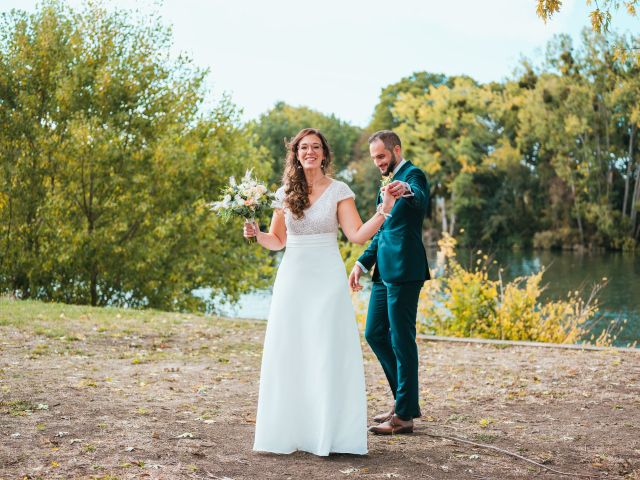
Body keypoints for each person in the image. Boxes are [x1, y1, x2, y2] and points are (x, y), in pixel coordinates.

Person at [244, 127, 396, 456]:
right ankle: (291, 432)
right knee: (292, 350)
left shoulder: (339, 190)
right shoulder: (283, 193)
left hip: (327, 279)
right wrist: (257, 233)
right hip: (293, 278)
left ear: (324, 154)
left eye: (316, 147)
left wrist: (385, 208)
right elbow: (278, 241)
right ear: (296, 155)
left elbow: (356, 235)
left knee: (326, 351)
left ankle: (331, 433)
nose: (310, 152)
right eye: (303, 148)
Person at [349, 130, 430, 435]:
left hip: (405, 270)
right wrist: (361, 262)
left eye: (381, 156)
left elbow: (419, 198)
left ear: (396, 149)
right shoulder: (384, 182)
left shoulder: (413, 175)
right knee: (374, 333)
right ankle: (403, 402)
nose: (378, 163)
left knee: (401, 339)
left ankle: (405, 415)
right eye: (374, 158)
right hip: (382, 272)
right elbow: (382, 229)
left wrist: (407, 189)